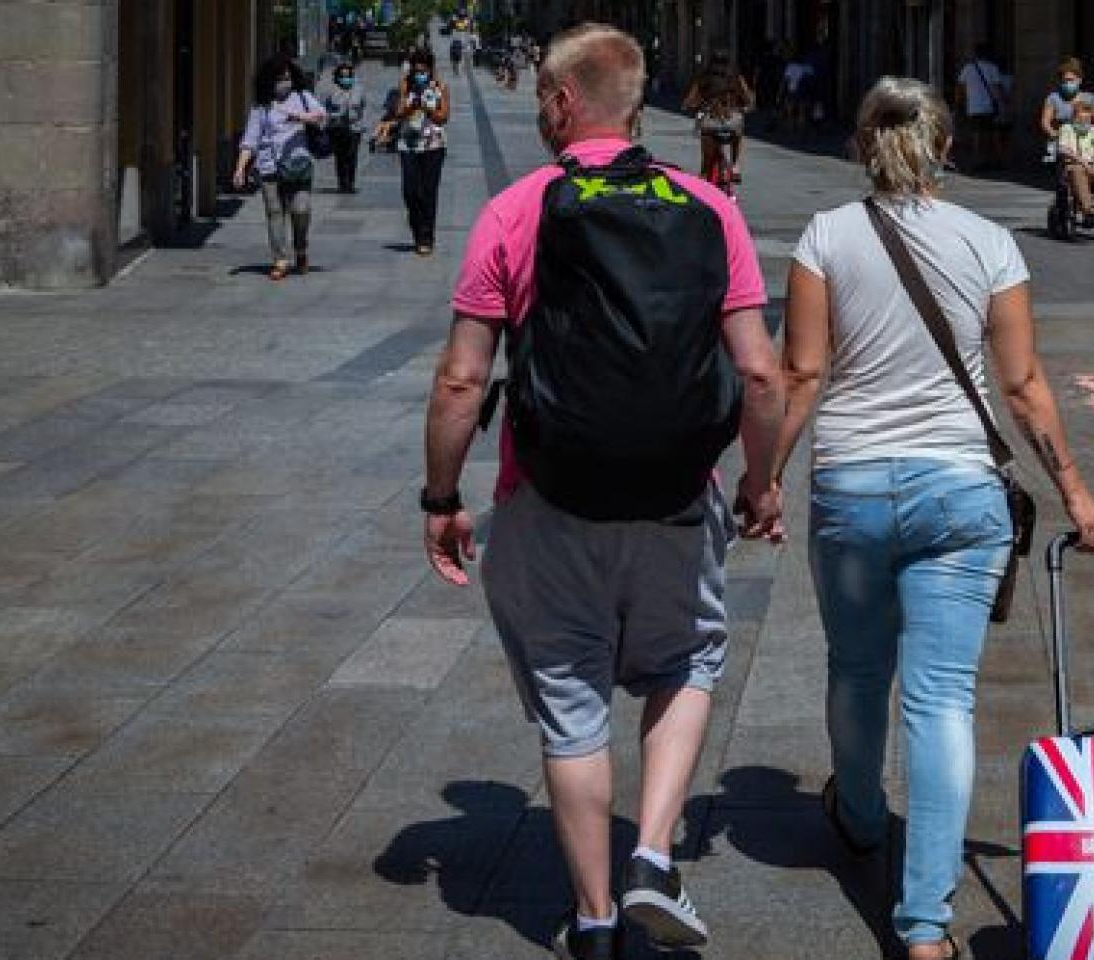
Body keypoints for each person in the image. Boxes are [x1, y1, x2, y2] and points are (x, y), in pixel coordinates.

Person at [419, 23, 784, 960]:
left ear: (561, 103)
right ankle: (653, 855)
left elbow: (464, 379)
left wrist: (441, 496)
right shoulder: (707, 205)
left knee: (571, 699)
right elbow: (759, 374)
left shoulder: (515, 210)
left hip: (550, 497)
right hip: (675, 493)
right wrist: (762, 482)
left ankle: (589, 922)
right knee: (690, 662)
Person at [774, 76, 1094, 960]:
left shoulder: (825, 236)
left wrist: (763, 477)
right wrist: (1074, 490)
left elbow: (802, 373)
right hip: (962, 493)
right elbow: (1022, 382)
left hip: (850, 485)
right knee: (942, 701)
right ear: (945, 148)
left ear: (861, 145)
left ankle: (855, 815)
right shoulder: (991, 241)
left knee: (856, 669)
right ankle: (924, 926)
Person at [232, 53, 326, 281]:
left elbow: (322, 116)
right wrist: (240, 168)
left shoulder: (302, 96)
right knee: (275, 213)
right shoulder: (261, 107)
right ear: (269, 80)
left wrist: (299, 117)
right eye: (279, 78)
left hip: (298, 164)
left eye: (287, 77)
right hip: (269, 168)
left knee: (301, 211)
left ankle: (301, 248)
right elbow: (250, 140)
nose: (284, 82)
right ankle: (280, 259)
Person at [1040, 57, 1094, 229]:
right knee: (1074, 167)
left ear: (1079, 80)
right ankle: (1087, 210)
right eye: (1064, 81)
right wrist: (1057, 135)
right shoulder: (1054, 98)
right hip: (1066, 142)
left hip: (1090, 143)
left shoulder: (1089, 99)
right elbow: (1045, 122)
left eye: (1071, 80)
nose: (1067, 84)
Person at [386, 48, 449, 255]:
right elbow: (397, 112)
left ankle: (426, 236)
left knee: (429, 192)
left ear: (430, 69)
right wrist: (411, 106)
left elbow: (444, 116)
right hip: (409, 143)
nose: (420, 73)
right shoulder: (406, 84)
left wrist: (429, 108)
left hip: (433, 144)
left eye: (424, 69)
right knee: (410, 191)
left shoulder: (440, 86)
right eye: (416, 69)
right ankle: (416, 225)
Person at [682, 51, 755, 184]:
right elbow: (748, 98)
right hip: (731, 123)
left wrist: (688, 105)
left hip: (710, 123)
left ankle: (704, 182)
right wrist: (746, 107)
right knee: (738, 130)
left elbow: (689, 100)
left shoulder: (703, 77)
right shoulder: (735, 77)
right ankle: (735, 166)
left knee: (706, 164)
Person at [954, 43, 1007, 170]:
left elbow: (960, 87)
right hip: (989, 106)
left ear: (976, 54)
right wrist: (1003, 103)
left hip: (974, 106)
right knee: (991, 133)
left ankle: (977, 159)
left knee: (976, 133)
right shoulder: (993, 68)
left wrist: (958, 103)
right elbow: (997, 88)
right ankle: (993, 159)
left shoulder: (968, 68)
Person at [323, 61, 368, 193]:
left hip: (355, 128)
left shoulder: (359, 90)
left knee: (352, 155)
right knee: (340, 156)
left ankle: (350, 183)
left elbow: (363, 106)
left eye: (348, 76)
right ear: (337, 77)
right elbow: (325, 109)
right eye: (342, 76)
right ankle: (342, 183)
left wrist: (363, 123)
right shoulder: (332, 90)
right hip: (337, 128)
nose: (346, 79)